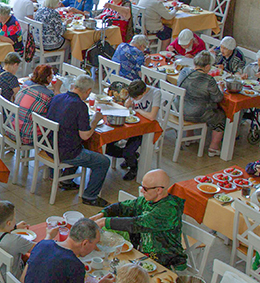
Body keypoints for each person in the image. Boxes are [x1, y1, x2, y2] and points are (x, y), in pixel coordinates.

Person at [44, 75, 110, 207]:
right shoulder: (80, 106)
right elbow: (85, 135)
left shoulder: (57, 97)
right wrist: (95, 120)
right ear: (88, 91)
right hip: (65, 152)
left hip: (48, 145)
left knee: (74, 141)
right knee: (103, 161)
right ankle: (90, 196)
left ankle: (67, 181)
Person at [102, 169, 187, 268]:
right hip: (144, 256)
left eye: (145, 189)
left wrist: (105, 222)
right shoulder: (148, 200)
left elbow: (137, 223)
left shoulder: (169, 210)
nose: (141, 190)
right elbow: (124, 207)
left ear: (159, 190)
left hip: (166, 262)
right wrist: (103, 213)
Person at [177, 51, 226, 156]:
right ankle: (214, 147)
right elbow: (218, 98)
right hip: (195, 113)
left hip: (179, 109)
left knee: (192, 101)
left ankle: (189, 137)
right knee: (221, 116)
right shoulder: (209, 80)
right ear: (208, 66)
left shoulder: (184, 71)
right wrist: (221, 88)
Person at [109, 79, 159, 179]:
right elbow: (128, 104)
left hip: (147, 128)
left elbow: (152, 116)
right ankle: (129, 157)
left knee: (128, 150)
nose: (135, 99)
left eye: (136, 97)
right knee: (109, 143)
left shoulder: (155, 93)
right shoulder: (134, 91)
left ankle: (133, 166)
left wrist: (138, 110)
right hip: (133, 124)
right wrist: (128, 103)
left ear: (144, 92)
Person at [14, 65, 60, 146]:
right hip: (28, 137)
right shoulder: (49, 95)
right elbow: (58, 110)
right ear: (48, 78)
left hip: (13, 129)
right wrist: (57, 90)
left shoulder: (26, 84)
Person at [0, 200, 33, 275]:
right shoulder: (16, 241)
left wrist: (15, 227)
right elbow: (39, 248)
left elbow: (2, 232)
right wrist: (49, 236)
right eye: (14, 217)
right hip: (13, 281)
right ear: (9, 223)